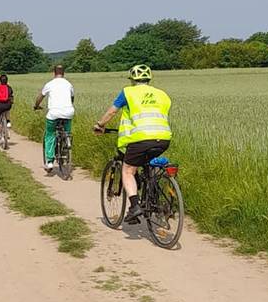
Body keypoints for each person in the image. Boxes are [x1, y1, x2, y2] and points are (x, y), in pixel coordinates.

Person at [93, 64, 172, 223]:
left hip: (140, 139)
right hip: (163, 138)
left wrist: (100, 125)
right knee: (147, 165)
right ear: (149, 79)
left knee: (128, 171)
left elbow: (112, 111)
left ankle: (135, 206)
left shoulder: (128, 92)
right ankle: (154, 198)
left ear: (132, 79)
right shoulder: (162, 94)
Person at [33, 65, 74, 174]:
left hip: (54, 113)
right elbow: (72, 98)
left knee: (50, 134)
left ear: (54, 73)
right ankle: (66, 144)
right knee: (67, 131)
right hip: (68, 112)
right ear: (63, 73)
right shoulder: (69, 84)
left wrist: (36, 105)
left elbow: (40, 97)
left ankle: (50, 161)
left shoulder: (49, 84)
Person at [0, 74, 14, 143]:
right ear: (7, 81)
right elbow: (11, 97)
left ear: (0, 80)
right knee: (7, 109)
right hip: (7, 105)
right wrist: (11, 102)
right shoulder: (9, 88)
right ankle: (8, 121)